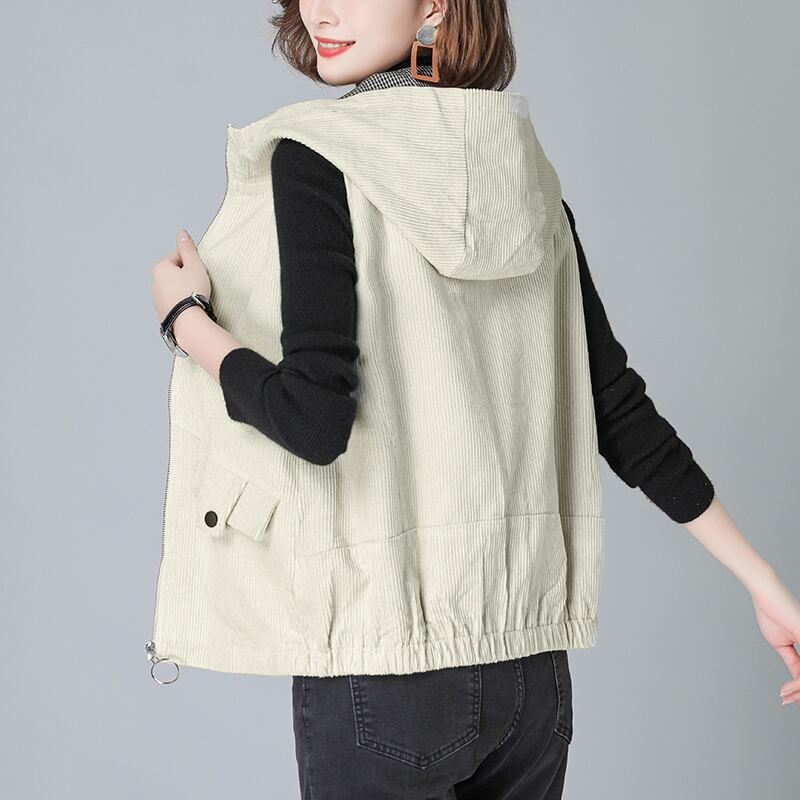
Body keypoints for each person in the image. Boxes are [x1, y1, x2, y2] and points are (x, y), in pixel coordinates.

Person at [149, 2, 800, 797]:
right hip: (531, 675)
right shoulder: (524, 172)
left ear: (434, 5)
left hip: (384, 666)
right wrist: (766, 585)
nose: (321, 10)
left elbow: (314, 421)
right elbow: (618, 410)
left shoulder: (318, 156)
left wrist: (187, 322)